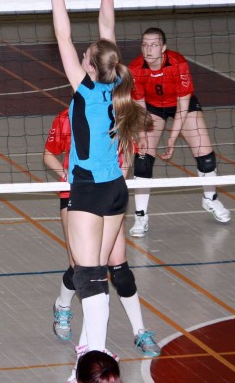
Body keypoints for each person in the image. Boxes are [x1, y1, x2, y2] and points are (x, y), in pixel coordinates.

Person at [41, 0, 149, 383]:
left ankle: (92, 368)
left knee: (90, 281)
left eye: (84, 57)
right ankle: (88, 358)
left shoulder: (84, 92)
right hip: (116, 190)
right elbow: (107, 29)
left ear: (88, 66)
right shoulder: (120, 82)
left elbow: (62, 35)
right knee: (95, 276)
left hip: (86, 191)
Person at [44, 109, 161, 359]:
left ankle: (140, 331)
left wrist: (116, 182)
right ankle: (62, 306)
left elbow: (126, 155)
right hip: (76, 194)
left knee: (119, 267)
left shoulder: (115, 115)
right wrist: (66, 176)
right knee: (80, 267)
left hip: (108, 193)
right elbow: (48, 155)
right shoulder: (67, 118)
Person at [128, 27, 231, 238]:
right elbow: (139, 107)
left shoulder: (177, 63)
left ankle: (210, 199)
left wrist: (172, 138)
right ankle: (140, 215)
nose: (148, 49)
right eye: (145, 45)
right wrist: (142, 136)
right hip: (151, 108)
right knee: (143, 157)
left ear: (163, 48)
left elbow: (183, 107)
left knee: (205, 153)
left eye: (154, 45)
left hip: (180, 104)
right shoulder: (135, 69)